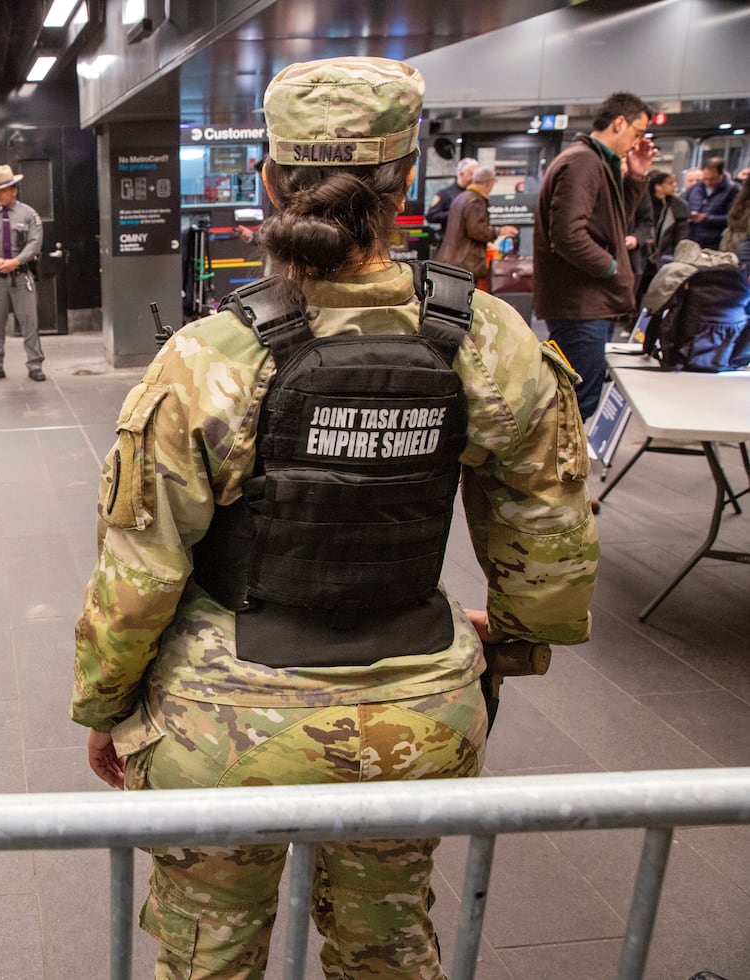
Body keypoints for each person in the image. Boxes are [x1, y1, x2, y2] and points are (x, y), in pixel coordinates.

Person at [72, 57, 598, 980]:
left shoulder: (212, 356)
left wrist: (108, 707)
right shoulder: (487, 339)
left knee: (207, 960)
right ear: (407, 185)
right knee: (389, 951)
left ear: (271, 181)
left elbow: (138, 576)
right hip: (418, 728)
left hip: (221, 733)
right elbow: (551, 566)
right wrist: (502, 648)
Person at [533, 91, 656, 421]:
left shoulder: (594, 162)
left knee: (576, 402)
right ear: (620, 123)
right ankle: (560, 472)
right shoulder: (584, 162)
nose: (638, 141)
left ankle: (564, 469)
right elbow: (569, 236)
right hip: (580, 305)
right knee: (574, 404)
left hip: (588, 303)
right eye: (638, 132)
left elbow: (613, 225)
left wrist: (636, 177)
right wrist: (613, 269)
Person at [0, 164, 45, 382]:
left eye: (3, 190)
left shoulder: (29, 214)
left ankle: (35, 365)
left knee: (29, 323)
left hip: (21, 277)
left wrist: (16, 261)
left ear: (14, 190)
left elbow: (35, 242)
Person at [434, 165, 518, 288]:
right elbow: (476, 230)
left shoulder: (462, 197)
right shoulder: (475, 200)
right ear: (489, 183)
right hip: (465, 262)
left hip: (451, 259)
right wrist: (499, 231)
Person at [634, 171, 690, 300]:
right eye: (670, 183)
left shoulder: (678, 207)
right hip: (642, 256)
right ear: (657, 186)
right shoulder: (642, 203)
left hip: (664, 258)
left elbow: (682, 236)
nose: (675, 186)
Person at [686, 158, 739, 250]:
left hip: (717, 241)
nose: (708, 182)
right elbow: (683, 206)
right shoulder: (695, 188)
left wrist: (707, 218)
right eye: (705, 179)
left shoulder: (733, 190)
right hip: (692, 239)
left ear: (721, 174)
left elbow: (734, 218)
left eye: (712, 179)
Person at [424, 156, 478, 236]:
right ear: (461, 173)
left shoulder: (475, 194)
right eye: (471, 173)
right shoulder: (446, 194)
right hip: (451, 241)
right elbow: (431, 216)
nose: (474, 177)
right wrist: (454, 214)